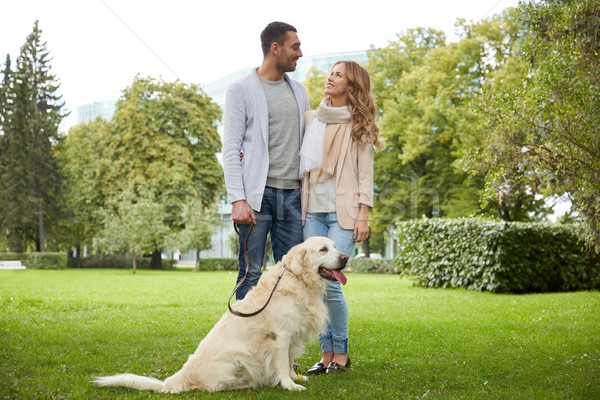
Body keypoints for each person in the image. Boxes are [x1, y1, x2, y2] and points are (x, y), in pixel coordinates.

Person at [299, 60, 384, 374]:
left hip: (343, 214)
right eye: (330, 73)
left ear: (352, 86)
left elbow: (365, 174)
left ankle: (342, 354)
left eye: (338, 75)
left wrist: (364, 214)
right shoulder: (311, 119)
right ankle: (325, 355)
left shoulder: (359, 124)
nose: (330, 78)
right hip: (312, 212)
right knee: (316, 285)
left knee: (332, 284)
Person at [222, 21, 310, 300]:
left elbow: (311, 139)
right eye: (295, 47)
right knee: (251, 273)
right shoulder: (241, 90)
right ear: (276, 48)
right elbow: (230, 148)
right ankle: (244, 339)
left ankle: (280, 338)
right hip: (255, 198)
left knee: (292, 273)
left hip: (293, 196)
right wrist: (237, 198)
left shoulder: (299, 91)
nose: (300, 53)